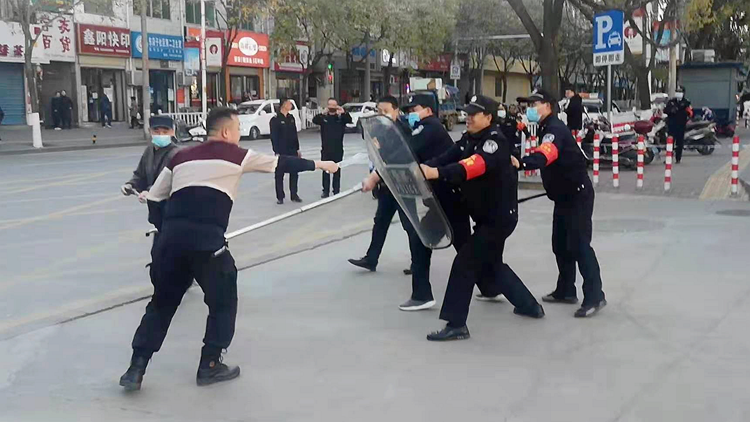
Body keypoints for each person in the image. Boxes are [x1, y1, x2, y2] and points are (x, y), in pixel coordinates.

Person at [119, 107, 339, 391]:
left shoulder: (180, 157)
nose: (239, 135)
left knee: (161, 304)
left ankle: (135, 369)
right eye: (237, 129)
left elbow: (155, 197)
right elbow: (281, 163)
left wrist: (168, 231)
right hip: (208, 246)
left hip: (170, 244)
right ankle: (210, 365)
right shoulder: (236, 155)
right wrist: (321, 165)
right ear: (225, 132)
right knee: (223, 302)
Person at [419, 95, 544, 341]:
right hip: (485, 216)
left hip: (499, 219)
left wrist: (437, 173)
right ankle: (530, 306)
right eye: (467, 114)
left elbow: (473, 166)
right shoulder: (469, 139)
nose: (468, 118)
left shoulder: (494, 142)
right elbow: (447, 157)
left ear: (488, 117)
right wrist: (422, 168)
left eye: (473, 114)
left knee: (465, 263)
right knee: (491, 265)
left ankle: (456, 324)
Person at [359, 94, 471, 311]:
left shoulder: (429, 128)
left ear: (428, 110)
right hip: (445, 197)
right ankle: (490, 286)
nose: (411, 114)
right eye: (409, 110)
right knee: (463, 249)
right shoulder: (425, 127)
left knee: (437, 244)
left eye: (415, 109)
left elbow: (404, 155)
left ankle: (422, 295)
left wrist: (374, 177)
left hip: (448, 198)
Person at [513, 89, 606, 318]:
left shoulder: (554, 129)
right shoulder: (545, 127)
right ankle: (566, 290)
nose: (530, 109)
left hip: (577, 195)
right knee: (561, 245)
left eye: (534, 105)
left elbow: (547, 154)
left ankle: (595, 296)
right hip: (564, 196)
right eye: (528, 105)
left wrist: (522, 163)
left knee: (580, 245)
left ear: (548, 106)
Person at [349, 96, 414, 274]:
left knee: (410, 225)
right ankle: (371, 259)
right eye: (379, 111)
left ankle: (417, 262)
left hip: (403, 185)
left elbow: (399, 157)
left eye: (386, 111)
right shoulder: (379, 128)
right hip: (386, 185)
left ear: (396, 111)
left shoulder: (404, 130)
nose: (382, 114)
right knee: (380, 222)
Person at [120, 115, 180, 203]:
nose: (161, 135)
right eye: (156, 132)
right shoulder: (149, 151)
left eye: (165, 132)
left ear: (172, 132)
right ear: (149, 131)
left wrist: (149, 191)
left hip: (171, 204)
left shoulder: (176, 154)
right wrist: (131, 185)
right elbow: (140, 175)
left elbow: (169, 183)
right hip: (154, 206)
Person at [313, 98, 352, 197]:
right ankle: (325, 191)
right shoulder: (324, 118)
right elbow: (315, 120)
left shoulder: (340, 118)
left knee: (337, 171)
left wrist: (343, 112)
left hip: (338, 149)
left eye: (334, 105)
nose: (332, 107)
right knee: (325, 170)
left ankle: (336, 191)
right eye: (330, 105)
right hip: (326, 149)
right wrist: (323, 112)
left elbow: (349, 120)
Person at [270, 98, 302, 204]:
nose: (291, 105)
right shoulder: (275, 120)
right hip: (282, 151)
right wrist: (276, 151)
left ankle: (294, 194)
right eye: (289, 103)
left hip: (292, 150)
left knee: (294, 172)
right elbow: (274, 137)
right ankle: (280, 196)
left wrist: (297, 149)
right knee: (279, 174)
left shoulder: (291, 118)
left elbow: (294, 135)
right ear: (283, 105)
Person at [664, 91, 692, 164]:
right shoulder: (671, 102)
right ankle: (668, 158)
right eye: (677, 91)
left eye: (680, 92)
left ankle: (678, 158)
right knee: (670, 143)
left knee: (680, 143)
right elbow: (665, 110)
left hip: (681, 126)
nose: (678, 93)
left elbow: (690, 113)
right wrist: (671, 111)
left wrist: (684, 113)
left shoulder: (686, 102)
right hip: (672, 125)